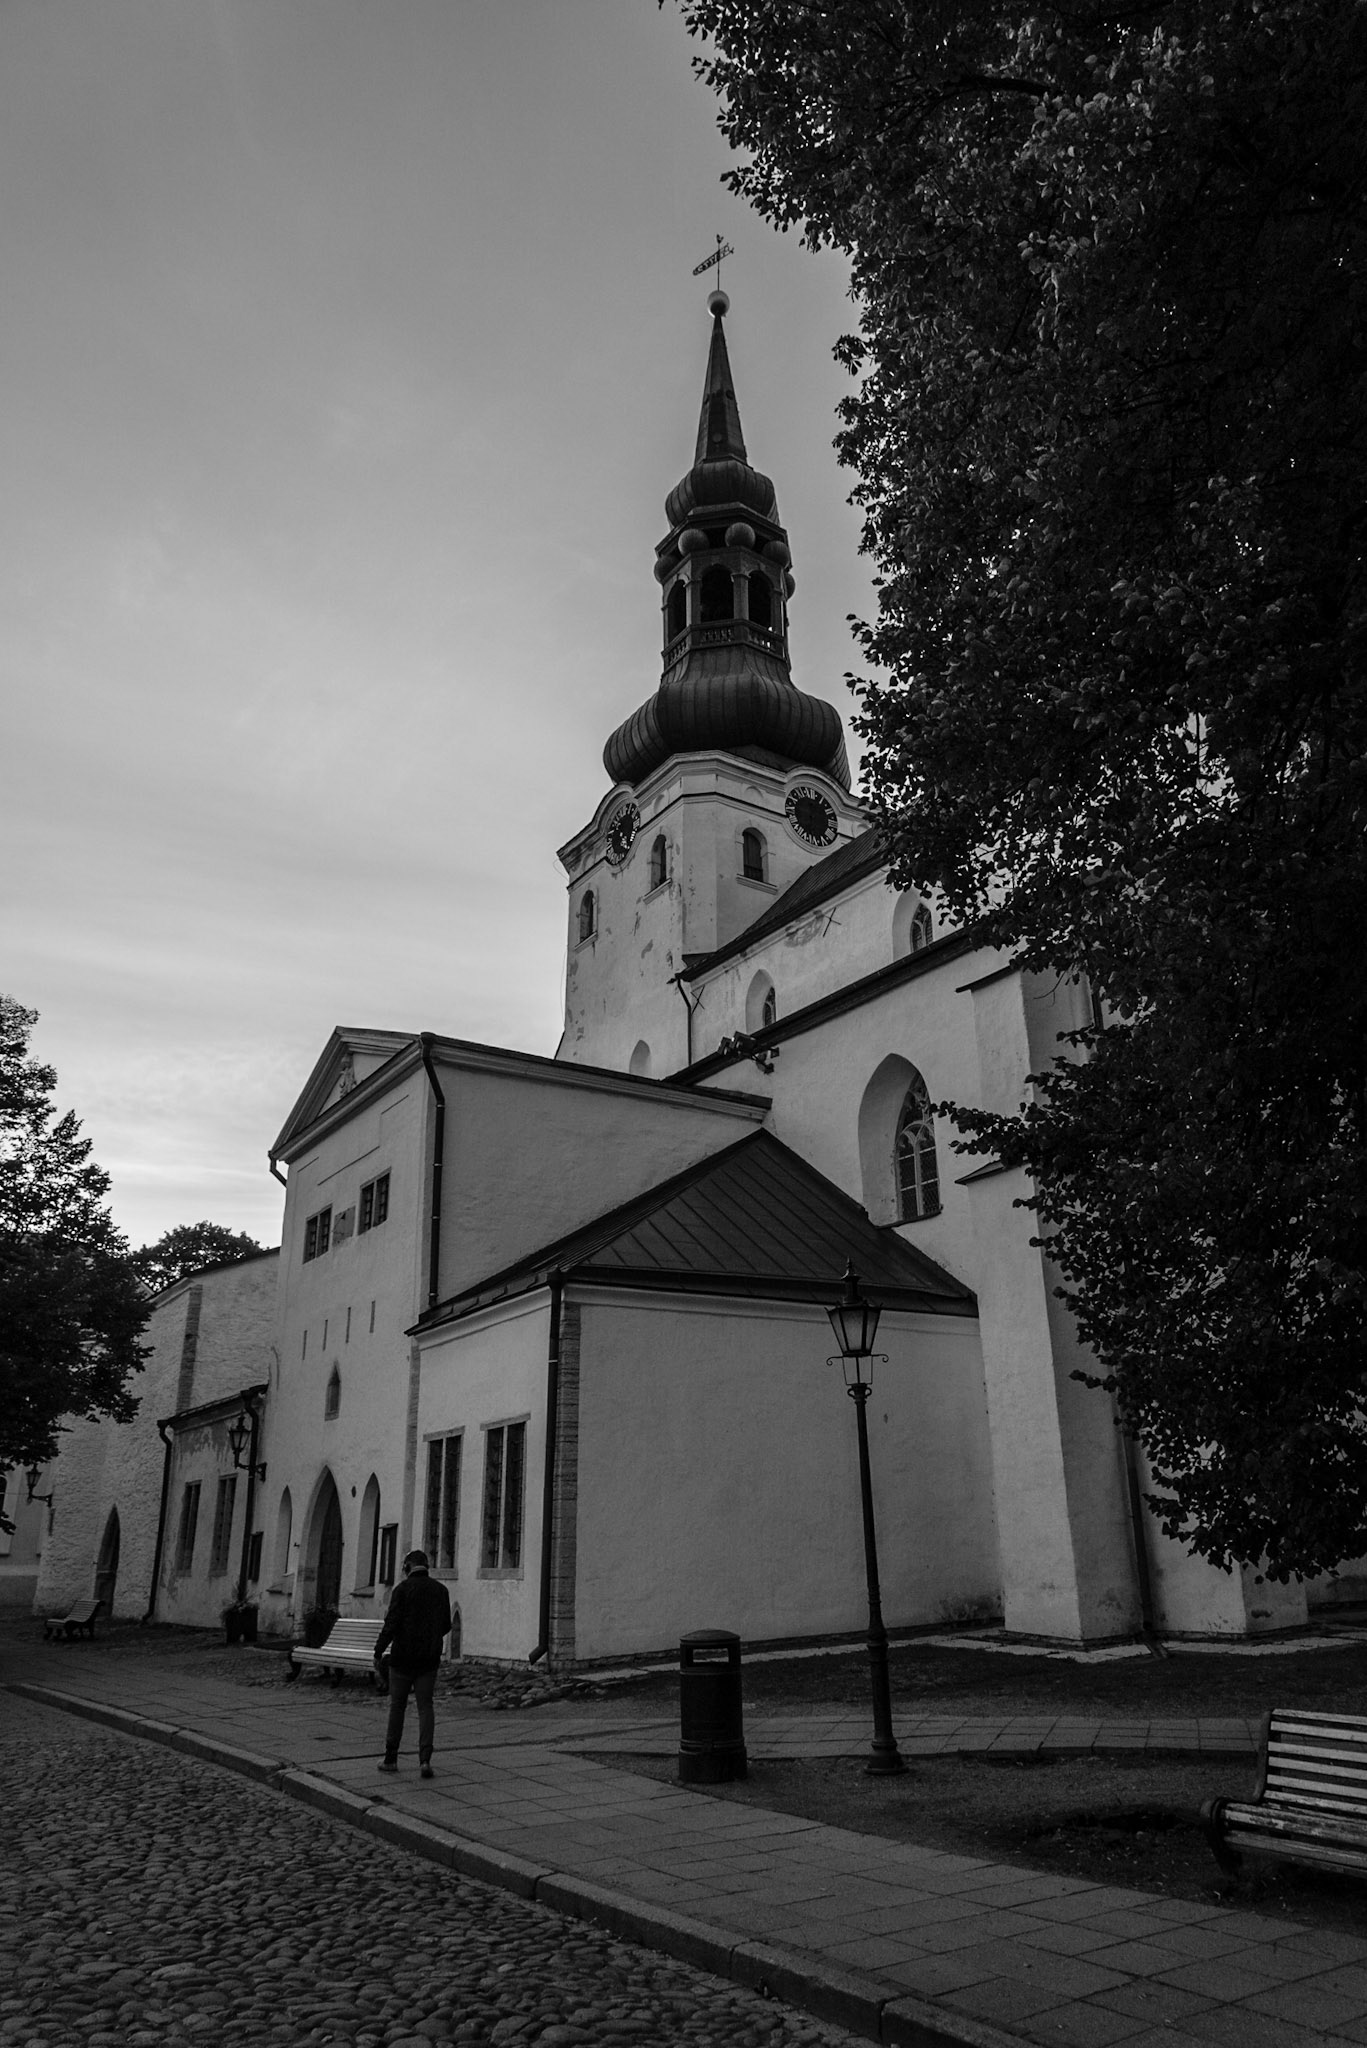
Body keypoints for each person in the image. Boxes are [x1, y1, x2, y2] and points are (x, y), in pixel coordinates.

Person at [373, 1548, 452, 1778]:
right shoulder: (441, 1591)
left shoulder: (402, 1590)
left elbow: (392, 1623)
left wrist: (379, 1650)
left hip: (403, 1657)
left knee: (397, 1706)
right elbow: (446, 1625)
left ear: (407, 1567)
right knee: (425, 1706)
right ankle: (425, 1760)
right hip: (428, 1658)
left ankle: (391, 1758)